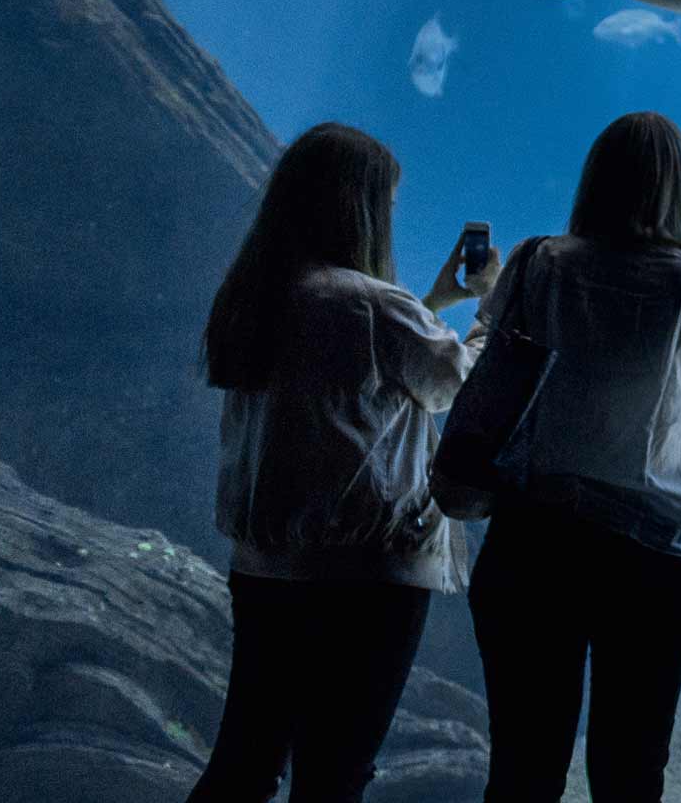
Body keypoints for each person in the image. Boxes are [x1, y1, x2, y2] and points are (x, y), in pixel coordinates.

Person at [190, 123, 497, 803]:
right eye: (385, 204)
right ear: (358, 208)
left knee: (245, 761)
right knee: (335, 773)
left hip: (266, 570)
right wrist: (487, 312)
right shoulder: (372, 304)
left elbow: (360, 367)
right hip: (366, 579)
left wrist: (434, 303)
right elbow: (456, 385)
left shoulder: (257, 296)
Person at [464, 111, 681, 803]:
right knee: (631, 774)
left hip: (535, 542)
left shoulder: (540, 261)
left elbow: (494, 366)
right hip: (655, 556)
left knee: (521, 767)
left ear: (593, 179)